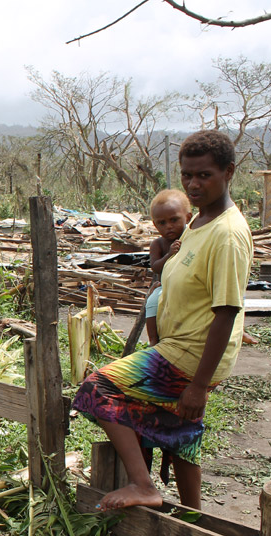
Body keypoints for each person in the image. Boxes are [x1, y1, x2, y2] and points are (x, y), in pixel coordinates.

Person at [72, 129, 253, 511]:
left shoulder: (228, 234)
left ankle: (143, 485)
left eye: (204, 175)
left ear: (229, 172)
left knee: (96, 388)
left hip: (192, 353)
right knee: (180, 431)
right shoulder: (196, 226)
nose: (193, 183)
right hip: (179, 346)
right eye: (187, 175)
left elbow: (226, 312)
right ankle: (193, 524)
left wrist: (199, 386)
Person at [145, 189, 190, 345]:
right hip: (164, 287)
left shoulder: (191, 238)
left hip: (188, 286)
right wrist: (169, 255)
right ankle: (152, 340)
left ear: (187, 218)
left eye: (174, 220)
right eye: (162, 223)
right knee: (151, 302)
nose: (168, 226)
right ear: (154, 224)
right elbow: (156, 267)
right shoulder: (158, 244)